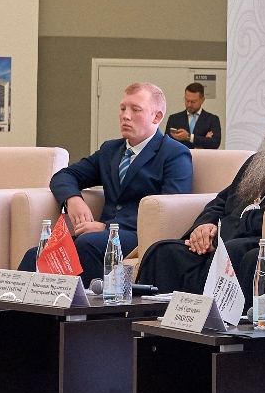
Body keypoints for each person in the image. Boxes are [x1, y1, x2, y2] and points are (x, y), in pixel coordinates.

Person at [136, 62, 265, 297]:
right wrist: (205, 225)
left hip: (254, 242)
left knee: (234, 251)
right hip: (226, 238)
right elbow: (223, 200)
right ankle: (150, 322)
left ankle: (206, 320)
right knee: (163, 252)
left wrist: (221, 232)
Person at [18, 83, 191, 280]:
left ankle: (88, 300)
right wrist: (73, 199)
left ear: (156, 117)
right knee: (35, 254)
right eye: (123, 108)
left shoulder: (174, 153)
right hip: (101, 235)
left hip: (139, 234)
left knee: (88, 243)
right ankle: (16, 301)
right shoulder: (110, 150)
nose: (126, 116)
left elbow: (169, 209)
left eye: (135, 110)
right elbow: (64, 176)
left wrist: (107, 227)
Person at [166, 83, 221, 150]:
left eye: (193, 102)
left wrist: (188, 137)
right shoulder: (174, 119)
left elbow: (215, 143)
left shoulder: (212, 119)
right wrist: (204, 140)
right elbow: (167, 144)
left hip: (202, 156)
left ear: (202, 100)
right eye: (187, 100)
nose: (189, 104)